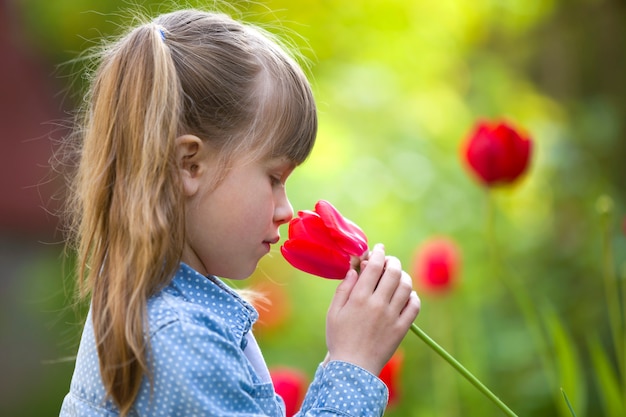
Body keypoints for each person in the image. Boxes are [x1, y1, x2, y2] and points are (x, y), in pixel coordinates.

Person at [59, 8, 421, 417]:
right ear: (189, 166)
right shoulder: (179, 340)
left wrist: (341, 362)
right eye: (274, 178)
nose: (286, 211)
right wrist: (353, 365)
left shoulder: (167, 311)